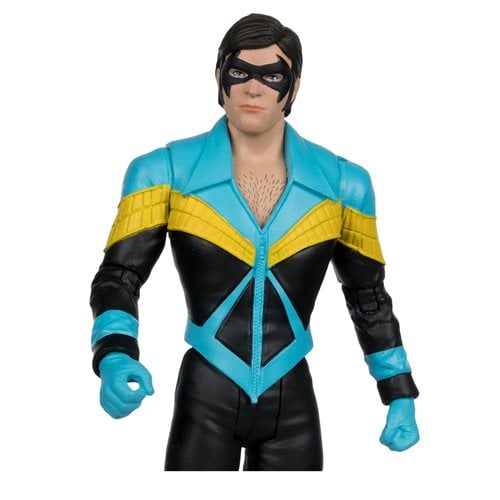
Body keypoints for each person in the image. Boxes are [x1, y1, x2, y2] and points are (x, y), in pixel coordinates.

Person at [90, 13, 419, 471]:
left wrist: (398, 392)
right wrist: (114, 353)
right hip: (207, 388)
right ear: (219, 77)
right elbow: (119, 277)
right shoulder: (164, 172)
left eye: (272, 76)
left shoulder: (344, 184)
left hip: (292, 396)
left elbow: (368, 297)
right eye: (240, 72)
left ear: (294, 86)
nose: (253, 88)